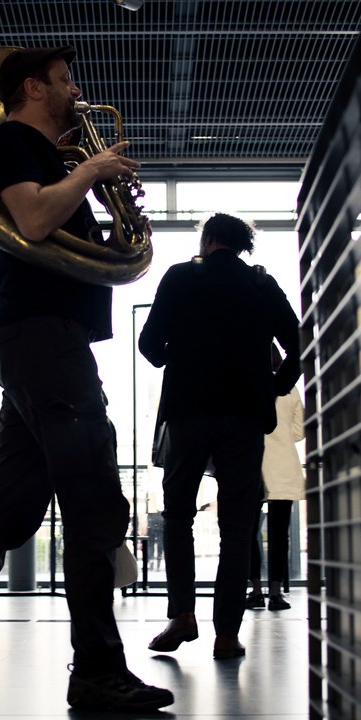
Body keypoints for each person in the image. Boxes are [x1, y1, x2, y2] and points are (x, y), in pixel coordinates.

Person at [0, 46, 173, 714]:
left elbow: (83, 249)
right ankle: (98, 669)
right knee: (95, 499)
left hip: (41, 339)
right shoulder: (16, 141)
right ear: (31, 89)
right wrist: (97, 170)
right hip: (43, 342)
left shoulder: (47, 157)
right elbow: (34, 219)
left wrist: (106, 203)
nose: (74, 89)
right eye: (62, 81)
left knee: (14, 510)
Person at [138, 212, 301, 659]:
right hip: (244, 419)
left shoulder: (180, 277)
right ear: (243, 246)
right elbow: (299, 344)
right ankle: (226, 634)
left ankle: (182, 616)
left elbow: (150, 347)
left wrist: (184, 352)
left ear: (207, 241)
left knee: (177, 518)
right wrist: (273, 386)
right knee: (236, 526)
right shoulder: (262, 285)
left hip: (188, 413)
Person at [246, 344, 305, 611]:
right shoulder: (290, 389)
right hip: (284, 466)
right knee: (280, 535)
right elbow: (299, 432)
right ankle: (276, 594)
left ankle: (255, 590)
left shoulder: (248, 385)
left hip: (253, 466)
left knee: (249, 533)